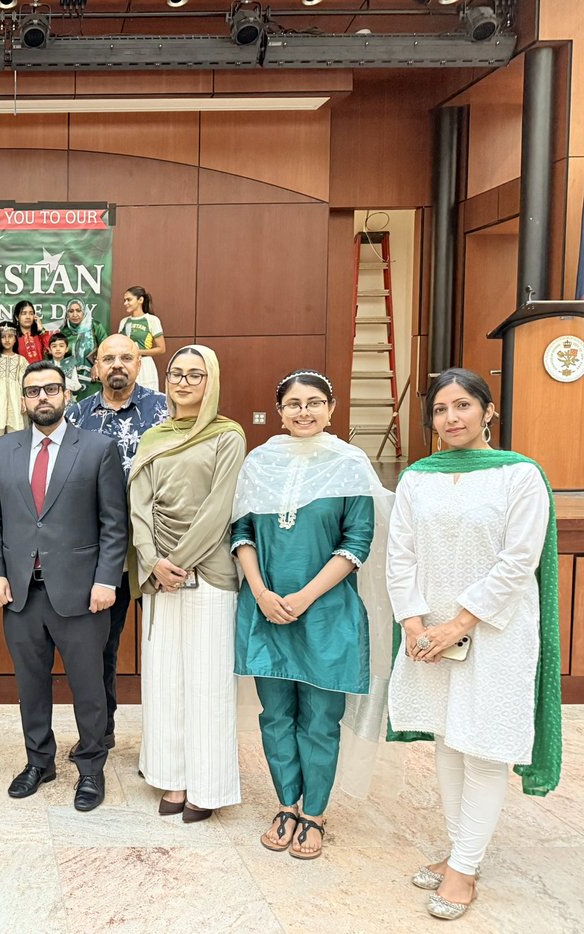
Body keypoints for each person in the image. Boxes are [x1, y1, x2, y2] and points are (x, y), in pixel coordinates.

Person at [386, 368, 561, 921]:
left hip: (495, 632)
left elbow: (518, 562)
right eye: (440, 410)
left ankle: (464, 867)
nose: (451, 418)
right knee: (448, 739)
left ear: (488, 412)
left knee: (483, 746)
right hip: (430, 633)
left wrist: (457, 624)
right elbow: (401, 555)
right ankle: (463, 852)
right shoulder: (418, 477)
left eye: (462, 406)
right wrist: (415, 624)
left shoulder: (519, 476)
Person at [231, 370, 391, 860]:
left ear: (332, 408)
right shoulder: (260, 462)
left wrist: (303, 597)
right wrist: (259, 590)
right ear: (279, 411)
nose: (304, 412)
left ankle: (315, 812)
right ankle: (286, 804)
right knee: (275, 714)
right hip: (264, 608)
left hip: (326, 612)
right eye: (294, 403)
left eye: (314, 402)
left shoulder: (350, 464)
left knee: (320, 719)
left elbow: (356, 541)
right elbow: (240, 532)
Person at [0, 362, 128, 813]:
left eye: (50, 389)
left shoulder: (98, 449)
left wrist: (106, 579)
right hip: (21, 592)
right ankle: (38, 761)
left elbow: (114, 523)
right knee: (31, 683)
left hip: (83, 593)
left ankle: (90, 769)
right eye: (32, 391)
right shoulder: (2, 450)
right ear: (22, 400)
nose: (42, 397)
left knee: (88, 687)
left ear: (65, 394)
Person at [128, 347, 246, 822]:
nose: (183, 381)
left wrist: (177, 560)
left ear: (211, 381)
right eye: (176, 373)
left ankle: (207, 786)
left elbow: (221, 507)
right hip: (160, 577)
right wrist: (154, 562)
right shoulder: (154, 436)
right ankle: (172, 778)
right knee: (164, 679)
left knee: (207, 680)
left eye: (195, 375)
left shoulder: (227, 435)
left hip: (209, 572)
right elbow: (137, 502)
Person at [65, 334, 167, 753]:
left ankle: (165, 746)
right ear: (95, 367)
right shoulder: (76, 415)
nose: (117, 365)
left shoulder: (165, 409)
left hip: (161, 549)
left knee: (165, 647)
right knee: (101, 647)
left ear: (140, 363)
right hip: (105, 554)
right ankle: (101, 732)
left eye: (127, 357)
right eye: (108, 359)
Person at [0, 324, 28, 440]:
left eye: (10, 336)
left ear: (15, 338)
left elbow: (24, 382)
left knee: (16, 432)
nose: (7, 340)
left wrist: (24, 399)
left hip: (15, 398)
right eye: (3, 337)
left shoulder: (21, 360)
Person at [115, 286, 165, 392]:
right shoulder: (124, 322)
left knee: (147, 399)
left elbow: (161, 349)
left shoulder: (152, 320)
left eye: (129, 299)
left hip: (145, 365)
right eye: (124, 300)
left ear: (140, 300)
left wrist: (137, 352)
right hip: (126, 364)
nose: (125, 303)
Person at [59, 299, 105, 399]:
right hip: (71, 381)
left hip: (93, 379)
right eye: (71, 311)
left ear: (84, 311)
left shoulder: (95, 326)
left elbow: (107, 348)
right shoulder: (64, 331)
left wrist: (97, 364)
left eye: (78, 310)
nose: (75, 314)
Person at [13, 300, 50, 365]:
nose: (28, 317)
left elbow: (51, 350)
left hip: (42, 373)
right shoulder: (13, 337)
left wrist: (42, 330)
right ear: (17, 317)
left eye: (31, 313)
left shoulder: (41, 335)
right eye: (24, 313)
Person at [46, 332, 82, 397]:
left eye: (61, 346)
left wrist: (60, 378)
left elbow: (77, 386)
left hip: (67, 401)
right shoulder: (47, 366)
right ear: (50, 350)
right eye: (54, 346)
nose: (58, 349)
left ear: (66, 349)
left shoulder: (71, 364)